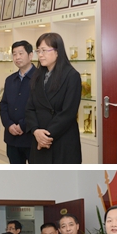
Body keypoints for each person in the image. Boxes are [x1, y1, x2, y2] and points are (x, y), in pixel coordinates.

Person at [25, 32, 82, 163]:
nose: (40, 55)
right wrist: (36, 131)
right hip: (39, 137)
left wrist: (45, 137)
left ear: (57, 52)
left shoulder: (71, 76)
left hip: (61, 140)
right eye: (38, 51)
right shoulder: (37, 76)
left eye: (44, 50)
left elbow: (68, 113)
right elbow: (30, 108)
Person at [0, 40, 36, 164]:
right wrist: (9, 125)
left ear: (30, 55)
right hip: (12, 138)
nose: (17, 57)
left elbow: (40, 108)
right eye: (14, 54)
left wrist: (22, 125)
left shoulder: (40, 78)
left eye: (21, 53)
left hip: (32, 138)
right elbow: (3, 104)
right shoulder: (10, 80)